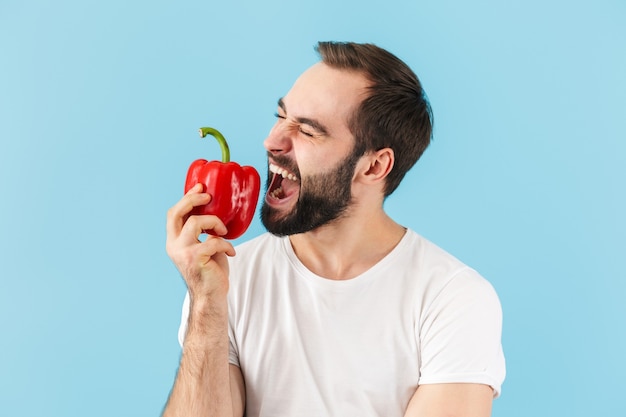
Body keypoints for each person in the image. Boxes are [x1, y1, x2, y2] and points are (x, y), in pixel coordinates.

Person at [162, 41, 505, 417]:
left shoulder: (451, 298)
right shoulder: (229, 277)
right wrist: (206, 304)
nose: (272, 141)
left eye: (308, 131)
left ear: (374, 167)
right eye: (281, 116)